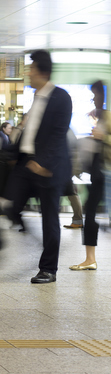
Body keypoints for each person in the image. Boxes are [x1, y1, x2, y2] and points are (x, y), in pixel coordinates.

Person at [6, 50, 72, 284]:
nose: (28, 73)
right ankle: (27, 231)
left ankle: (48, 269)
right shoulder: (36, 98)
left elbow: (57, 135)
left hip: (49, 167)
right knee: (11, 205)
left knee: (49, 218)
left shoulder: (61, 97)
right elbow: (28, 131)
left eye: (31, 69)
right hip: (27, 163)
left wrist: (43, 163)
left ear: (42, 72)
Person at [70, 80, 106, 270]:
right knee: (90, 213)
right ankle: (90, 258)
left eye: (95, 95)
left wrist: (102, 136)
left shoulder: (107, 117)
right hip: (98, 175)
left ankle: (90, 259)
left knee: (91, 213)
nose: (94, 99)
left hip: (104, 174)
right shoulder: (101, 116)